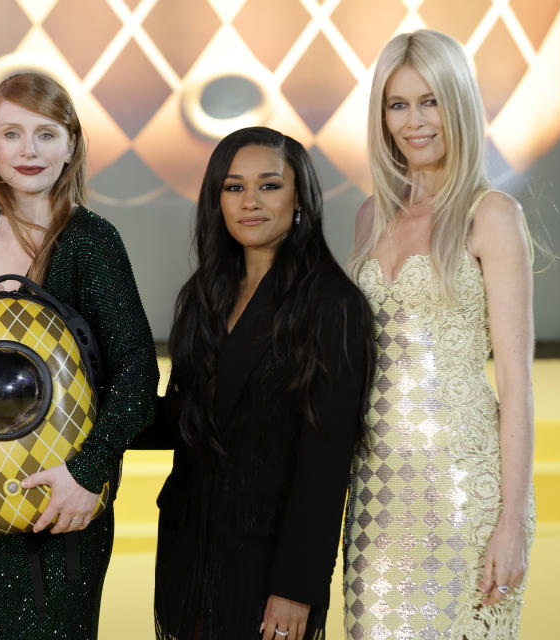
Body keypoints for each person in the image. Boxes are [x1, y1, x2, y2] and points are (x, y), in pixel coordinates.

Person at [0, 71, 158, 639]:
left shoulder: (92, 242)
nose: (28, 150)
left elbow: (138, 377)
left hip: (61, 509)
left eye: (46, 134)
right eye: (12, 133)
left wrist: (87, 476)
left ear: (71, 144)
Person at [132, 126, 373, 640]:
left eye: (269, 185)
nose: (250, 202)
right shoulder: (205, 293)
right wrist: (94, 414)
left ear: (301, 197)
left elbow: (326, 463)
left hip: (268, 572)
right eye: (233, 187)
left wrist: (297, 587)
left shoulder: (332, 305)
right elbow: (187, 420)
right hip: (190, 554)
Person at [342, 29, 535, 639]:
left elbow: (516, 385)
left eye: (430, 101)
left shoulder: (492, 215)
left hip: (465, 493)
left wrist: (510, 522)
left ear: (457, 105)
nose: (414, 121)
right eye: (398, 105)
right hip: (376, 492)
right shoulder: (370, 217)